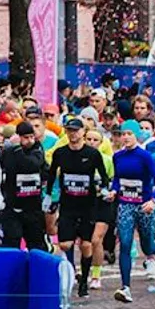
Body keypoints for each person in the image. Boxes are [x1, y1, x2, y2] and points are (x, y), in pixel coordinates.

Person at [50, 124, 112, 295]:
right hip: (68, 204)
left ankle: (84, 281)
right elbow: (51, 173)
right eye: (69, 131)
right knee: (64, 244)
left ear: (82, 132)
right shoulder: (60, 153)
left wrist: (105, 189)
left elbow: (104, 175)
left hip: (88, 206)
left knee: (86, 244)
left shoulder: (92, 154)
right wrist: (49, 196)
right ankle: (68, 273)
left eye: (76, 131)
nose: (73, 134)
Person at [108, 121, 155, 301]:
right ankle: (125, 288)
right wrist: (114, 190)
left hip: (144, 206)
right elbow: (117, 178)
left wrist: (153, 201)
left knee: (148, 246)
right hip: (126, 205)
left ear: (136, 135)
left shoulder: (145, 156)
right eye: (123, 134)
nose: (126, 137)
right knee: (125, 242)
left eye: (130, 134)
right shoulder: (118, 156)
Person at [0, 117, 52, 252]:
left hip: (33, 207)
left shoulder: (37, 148)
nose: (30, 140)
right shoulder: (9, 152)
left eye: (32, 137)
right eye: (26, 137)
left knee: (37, 245)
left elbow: (31, 165)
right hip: (13, 206)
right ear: (18, 137)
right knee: (11, 244)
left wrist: (18, 149)